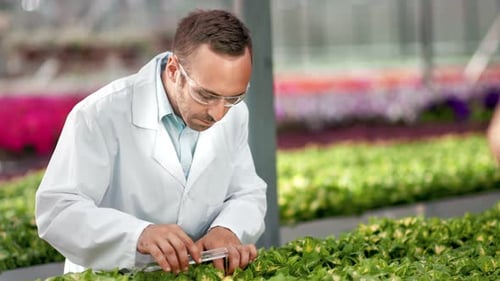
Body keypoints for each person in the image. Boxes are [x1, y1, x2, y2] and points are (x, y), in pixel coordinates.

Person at [35, 9, 267, 276]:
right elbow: (58, 211)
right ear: (173, 70)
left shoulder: (234, 114)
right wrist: (138, 234)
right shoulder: (99, 115)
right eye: (205, 95)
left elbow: (246, 192)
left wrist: (227, 229)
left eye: (233, 98)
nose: (218, 113)